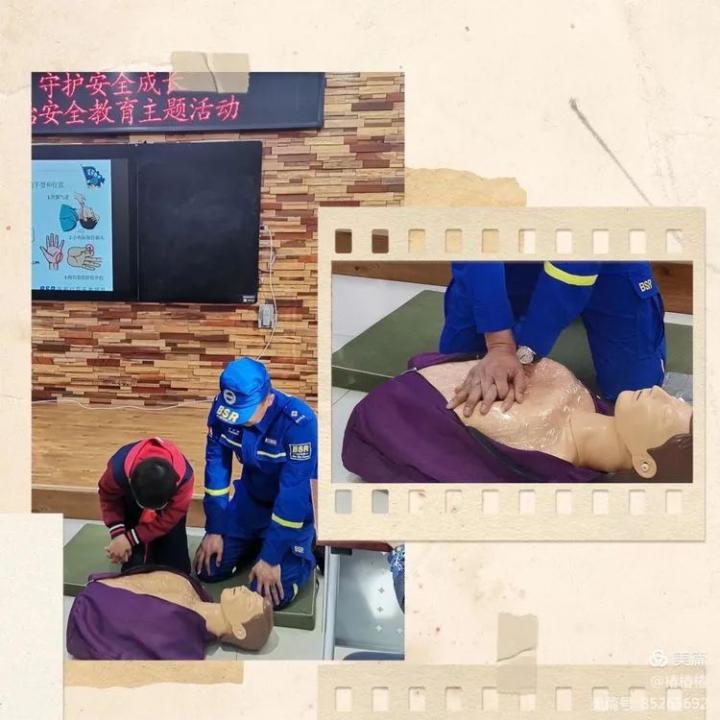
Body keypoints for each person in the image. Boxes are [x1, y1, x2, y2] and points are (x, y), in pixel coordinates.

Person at [342, 352, 692, 485]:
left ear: (645, 463)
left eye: (667, 412)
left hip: (393, 408)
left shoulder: (541, 452)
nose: (659, 391)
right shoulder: (592, 406)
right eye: (677, 398)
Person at [441, 261, 666, 416]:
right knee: (452, 376)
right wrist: (498, 341)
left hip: (604, 257)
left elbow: (575, 264)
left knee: (636, 396)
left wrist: (527, 351)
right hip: (512, 259)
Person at [194, 357, 318, 610]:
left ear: (268, 399)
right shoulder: (222, 410)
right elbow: (216, 470)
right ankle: (254, 542)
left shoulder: (299, 423)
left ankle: (305, 551)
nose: (235, 421)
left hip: (294, 514)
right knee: (206, 569)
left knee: (268, 597)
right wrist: (214, 528)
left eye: (245, 413)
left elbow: (293, 495)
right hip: (250, 502)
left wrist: (271, 558)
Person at [67, 566, 273, 660]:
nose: (245, 590)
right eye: (251, 593)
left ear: (238, 630)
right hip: (96, 591)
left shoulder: (182, 646)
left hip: (87, 612)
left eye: (248, 603)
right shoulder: (197, 590)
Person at [98, 437, 195, 574]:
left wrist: (130, 538)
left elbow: (170, 517)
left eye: (157, 507)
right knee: (134, 568)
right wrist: (118, 534)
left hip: (168, 515)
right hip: (131, 504)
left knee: (177, 569)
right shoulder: (117, 470)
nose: (150, 511)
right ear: (130, 481)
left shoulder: (185, 479)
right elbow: (108, 498)